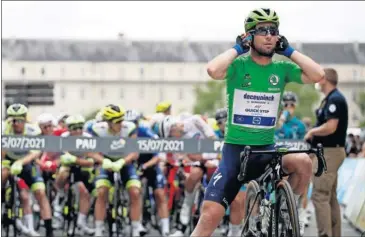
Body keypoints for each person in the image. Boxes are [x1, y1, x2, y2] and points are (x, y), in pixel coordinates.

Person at [191, 7, 325, 237]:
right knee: (209, 215)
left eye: (274, 31)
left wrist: (290, 50)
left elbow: (318, 75)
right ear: (249, 36)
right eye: (262, 30)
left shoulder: (281, 69)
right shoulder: (239, 66)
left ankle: (285, 210)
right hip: (236, 153)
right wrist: (237, 48)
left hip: (266, 150)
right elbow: (213, 69)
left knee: (304, 161)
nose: (270, 35)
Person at [88, 104, 146, 237]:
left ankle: (136, 227)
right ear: (108, 122)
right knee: (101, 192)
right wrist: (104, 161)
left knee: (135, 192)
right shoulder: (98, 130)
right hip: (106, 162)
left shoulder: (129, 128)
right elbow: (91, 152)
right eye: (117, 121)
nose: (121, 123)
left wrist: (122, 161)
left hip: (125, 162)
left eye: (122, 119)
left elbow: (134, 152)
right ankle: (98, 229)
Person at [304, 68, 348, 237]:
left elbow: (331, 127)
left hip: (329, 152)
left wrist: (312, 132)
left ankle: (325, 234)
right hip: (329, 152)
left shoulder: (334, 100)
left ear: (324, 80)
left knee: (319, 195)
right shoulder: (330, 99)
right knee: (329, 197)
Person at [2, 104, 55, 237]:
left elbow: (35, 153)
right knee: (3, 173)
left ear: (25, 120)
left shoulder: (33, 131)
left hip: (26, 161)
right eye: (13, 120)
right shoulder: (4, 129)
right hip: (8, 161)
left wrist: (20, 162)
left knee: (40, 192)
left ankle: (49, 230)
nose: (16, 124)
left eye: (20, 120)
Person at [124, 109, 170, 236]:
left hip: (150, 163)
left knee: (160, 193)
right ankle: (137, 223)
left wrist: (145, 166)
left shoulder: (145, 131)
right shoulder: (123, 132)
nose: (131, 126)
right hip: (134, 164)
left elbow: (158, 156)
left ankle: (165, 228)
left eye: (134, 123)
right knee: (136, 193)